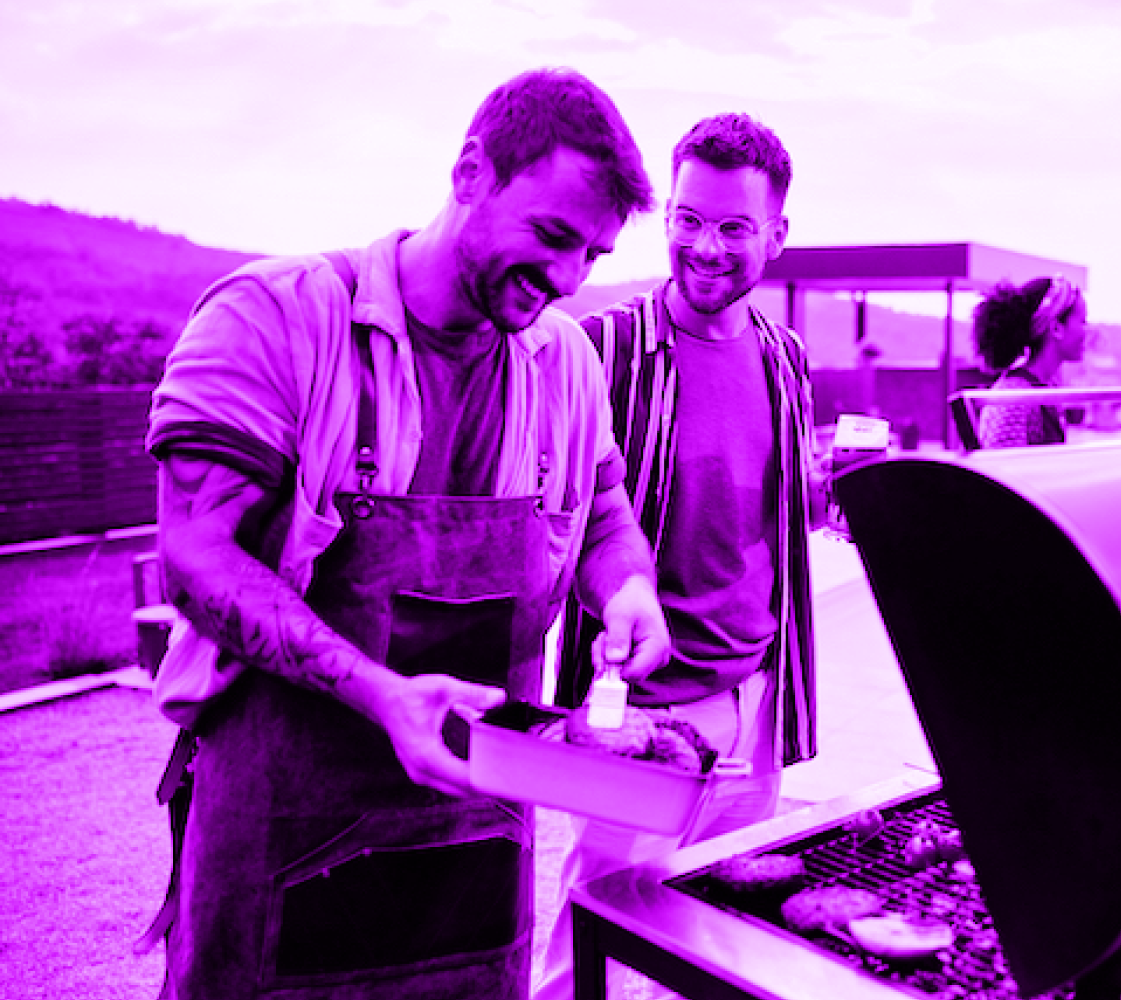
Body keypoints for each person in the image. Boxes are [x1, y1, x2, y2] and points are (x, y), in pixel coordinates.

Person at [144, 68, 670, 1000]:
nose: (564, 278)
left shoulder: (568, 365)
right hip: (281, 831)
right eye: (552, 236)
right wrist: (384, 695)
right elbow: (194, 556)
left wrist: (626, 587)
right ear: (472, 173)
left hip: (475, 842)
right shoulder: (276, 318)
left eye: (591, 255)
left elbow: (608, 517)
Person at [535, 113, 819, 1000]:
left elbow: (775, 519)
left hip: (755, 703)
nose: (705, 246)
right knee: (593, 947)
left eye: (734, 226)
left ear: (777, 234)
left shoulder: (786, 358)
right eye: (688, 218)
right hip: (642, 711)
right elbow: (561, 508)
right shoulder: (602, 348)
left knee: (717, 951)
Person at [972, 276, 1088, 448]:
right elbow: (1001, 468)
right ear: (1056, 328)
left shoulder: (1044, 388)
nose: (1087, 331)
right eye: (1082, 321)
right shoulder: (1014, 399)